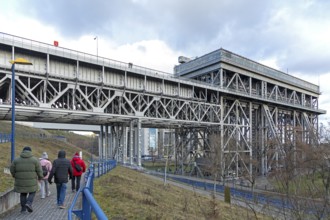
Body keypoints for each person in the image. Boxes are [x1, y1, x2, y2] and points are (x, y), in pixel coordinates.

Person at [10, 146, 44, 213]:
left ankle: (23, 209)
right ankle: (28, 203)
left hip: (20, 181)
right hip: (32, 181)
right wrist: (40, 177)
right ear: (30, 152)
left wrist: (15, 176)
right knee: (33, 191)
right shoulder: (35, 160)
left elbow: (12, 170)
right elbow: (39, 170)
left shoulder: (16, 160)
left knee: (23, 194)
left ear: (23, 151)